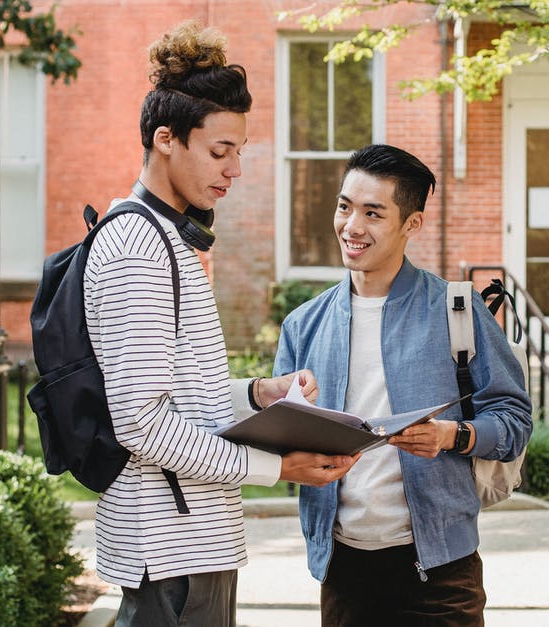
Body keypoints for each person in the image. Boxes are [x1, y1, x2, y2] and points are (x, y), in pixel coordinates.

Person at [82, 21, 357, 626]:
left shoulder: (167, 239)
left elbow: (179, 397)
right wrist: (276, 469)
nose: (234, 170)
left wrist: (261, 394)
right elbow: (141, 422)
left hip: (192, 543)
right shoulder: (137, 246)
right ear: (165, 140)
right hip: (169, 551)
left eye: (240, 152)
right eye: (218, 152)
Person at [273, 143, 533, 625]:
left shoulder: (456, 310)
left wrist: (450, 435)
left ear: (411, 224)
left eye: (373, 213)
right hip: (342, 570)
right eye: (345, 206)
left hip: (440, 575)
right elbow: (283, 441)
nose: (352, 226)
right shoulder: (302, 326)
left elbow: (514, 421)